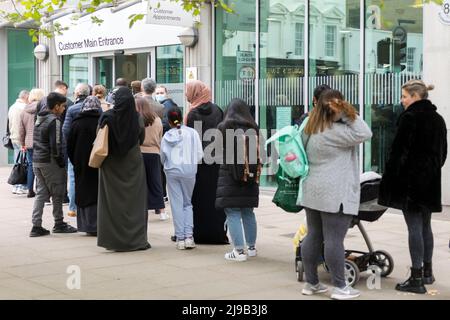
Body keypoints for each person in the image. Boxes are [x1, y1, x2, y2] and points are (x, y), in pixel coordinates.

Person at [298, 89, 372, 300]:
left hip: (312, 190)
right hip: (335, 193)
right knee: (334, 240)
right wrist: (348, 112)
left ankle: (312, 283)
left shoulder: (310, 127)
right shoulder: (337, 132)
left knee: (313, 236)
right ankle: (340, 287)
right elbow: (365, 132)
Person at [378, 80, 447, 294]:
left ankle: (416, 278)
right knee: (426, 226)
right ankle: (427, 272)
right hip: (430, 181)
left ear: (415, 97)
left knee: (414, 227)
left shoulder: (409, 117)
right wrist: (430, 170)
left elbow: (398, 153)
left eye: (404, 96)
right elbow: (443, 153)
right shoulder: (438, 119)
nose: (401, 100)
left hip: (410, 183)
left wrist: (390, 179)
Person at [97, 87, 151, 252]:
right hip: (132, 162)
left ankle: (113, 240)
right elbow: (141, 138)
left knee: (111, 203)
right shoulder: (136, 118)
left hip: (111, 163)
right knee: (135, 202)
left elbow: (100, 138)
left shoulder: (106, 117)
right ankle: (136, 240)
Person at [215, 98, 260, 261]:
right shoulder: (253, 128)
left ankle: (239, 251)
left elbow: (216, 152)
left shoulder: (224, 127)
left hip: (230, 176)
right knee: (248, 211)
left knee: (232, 211)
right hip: (250, 176)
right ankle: (252, 247)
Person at [185, 80, 228, 244]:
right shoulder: (218, 110)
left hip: (198, 162)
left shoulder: (192, 113)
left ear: (194, 93)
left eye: (188, 90)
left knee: (198, 198)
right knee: (216, 198)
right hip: (217, 161)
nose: (185, 94)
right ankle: (218, 233)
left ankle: (199, 233)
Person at [29, 92, 77, 237]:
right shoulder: (54, 121)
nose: (64, 109)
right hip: (50, 161)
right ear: (56, 106)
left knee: (41, 193)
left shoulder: (39, 118)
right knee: (58, 192)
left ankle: (36, 225)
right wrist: (61, 161)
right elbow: (55, 144)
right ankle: (59, 223)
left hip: (37, 160)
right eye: (62, 106)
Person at [160, 106, 203, 250]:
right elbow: (199, 154)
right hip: (189, 170)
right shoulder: (192, 133)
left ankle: (180, 238)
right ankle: (189, 236)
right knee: (187, 203)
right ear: (182, 116)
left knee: (176, 205)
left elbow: (162, 157)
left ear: (169, 120)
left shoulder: (167, 136)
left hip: (172, 171)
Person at [67, 96, 103, 236]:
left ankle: (86, 225)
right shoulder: (102, 122)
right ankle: (98, 224)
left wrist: (75, 160)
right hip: (98, 163)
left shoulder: (77, 123)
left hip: (81, 164)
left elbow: (69, 145)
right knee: (97, 192)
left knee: (83, 192)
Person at [135, 97, 167, 220]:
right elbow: (160, 137)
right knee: (155, 182)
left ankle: (139, 209)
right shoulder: (157, 120)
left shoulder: (136, 120)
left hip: (139, 152)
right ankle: (161, 210)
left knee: (139, 183)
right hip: (154, 153)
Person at [63, 83, 90, 218]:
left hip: (75, 149)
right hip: (91, 149)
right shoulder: (96, 108)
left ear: (77, 94)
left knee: (73, 178)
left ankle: (73, 208)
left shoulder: (72, 109)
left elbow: (66, 131)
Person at [19, 88, 45, 198]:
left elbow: (21, 130)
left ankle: (30, 189)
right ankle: (40, 190)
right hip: (41, 142)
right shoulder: (43, 108)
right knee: (41, 166)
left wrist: (22, 144)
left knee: (31, 166)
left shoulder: (24, 110)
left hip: (29, 143)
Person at [8, 90, 29, 194]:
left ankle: (16, 186)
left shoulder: (12, 107)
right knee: (22, 163)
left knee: (18, 162)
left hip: (14, 137)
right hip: (21, 139)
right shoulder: (23, 108)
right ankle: (20, 186)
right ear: (25, 97)